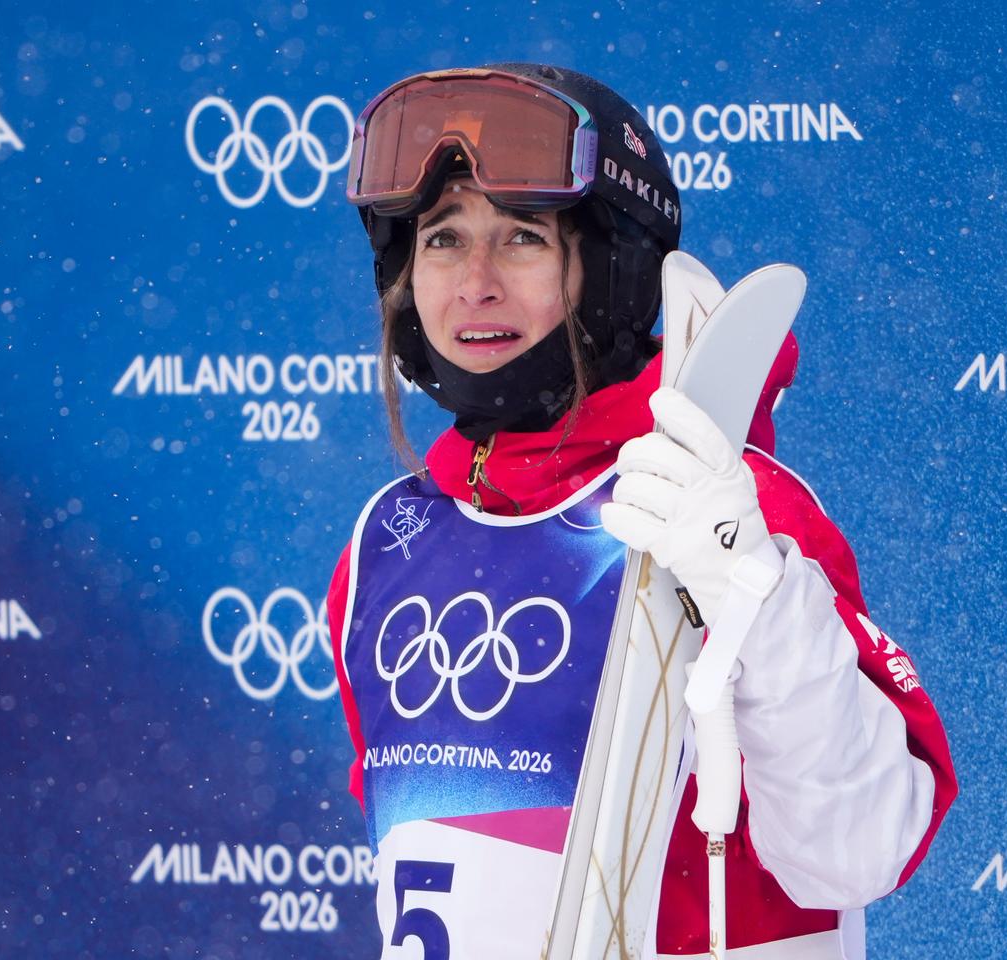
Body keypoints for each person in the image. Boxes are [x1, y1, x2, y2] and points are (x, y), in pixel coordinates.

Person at [325, 62, 957, 959]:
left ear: (615, 270)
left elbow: (862, 849)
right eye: (440, 239)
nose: (473, 282)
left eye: (522, 239)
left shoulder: (727, 505)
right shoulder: (386, 547)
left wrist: (756, 591)